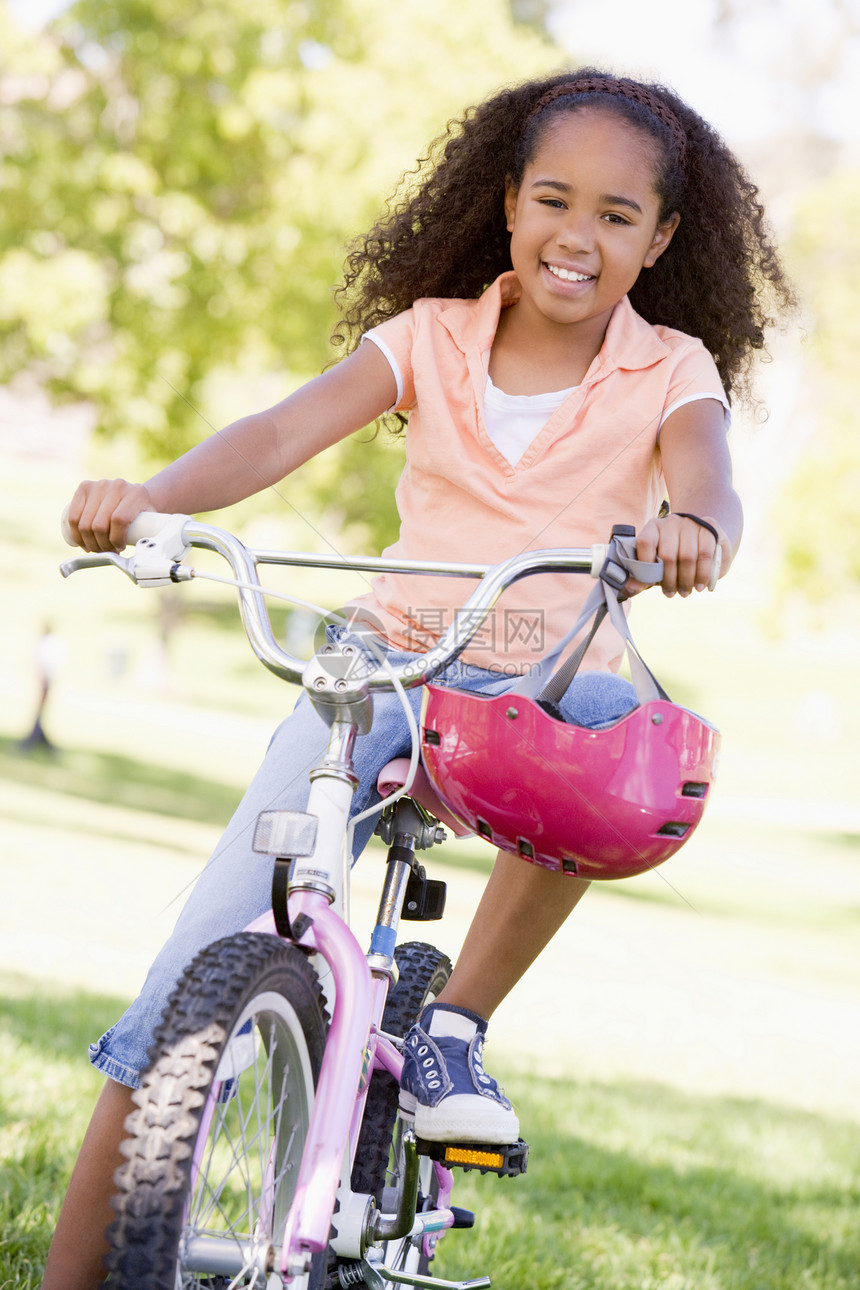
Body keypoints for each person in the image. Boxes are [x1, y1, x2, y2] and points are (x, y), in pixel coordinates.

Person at [45, 68, 794, 1288]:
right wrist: (152, 500)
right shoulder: (431, 337)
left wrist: (693, 532)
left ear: (658, 240)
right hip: (388, 660)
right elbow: (283, 432)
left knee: (614, 736)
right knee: (191, 969)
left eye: (616, 215)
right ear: (506, 205)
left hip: (541, 686)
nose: (577, 236)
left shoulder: (669, 369)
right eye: (553, 200)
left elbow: (706, 478)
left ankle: (454, 1022)